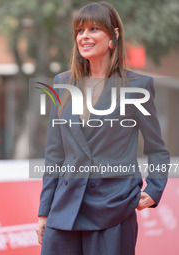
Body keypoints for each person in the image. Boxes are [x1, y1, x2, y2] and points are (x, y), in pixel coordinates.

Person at [36, 2, 169, 255]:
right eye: (79, 31)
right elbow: (54, 154)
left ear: (114, 36)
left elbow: (157, 149)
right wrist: (44, 211)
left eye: (94, 29)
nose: (84, 36)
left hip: (113, 210)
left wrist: (154, 189)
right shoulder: (62, 83)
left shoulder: (137, 87)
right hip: (64, 212)